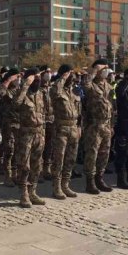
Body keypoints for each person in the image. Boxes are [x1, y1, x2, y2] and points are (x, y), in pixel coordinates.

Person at [13, 68, 46, 207]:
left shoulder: (40, 93)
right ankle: (24, 194)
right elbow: (16, 104)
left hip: (39, 133)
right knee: (24, 166)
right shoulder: (21, 93)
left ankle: (33, 192)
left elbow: (44, 112)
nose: (38, 80)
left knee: (37, 165)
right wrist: (25, 85)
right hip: (26, 134)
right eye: (35, 78)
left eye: (39, 77)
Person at [81, 58, 114, 194]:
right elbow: (85, 84)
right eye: (103, 69)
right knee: (92, 154)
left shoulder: (108, 85)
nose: (105, 71)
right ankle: (90, 182)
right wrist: (94, 70)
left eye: (106, 69)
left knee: (104, 154)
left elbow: (112, 107)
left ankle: (100, 178)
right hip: (94, 125)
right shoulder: (91, 84)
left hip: (106, 124)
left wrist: (112, 125)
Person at [49, 64, 80, 199]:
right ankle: (56, 187)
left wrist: (79, 127)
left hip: (73, 128)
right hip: (61, 128)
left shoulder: (72, 91)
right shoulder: (56, 89)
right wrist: (62, 78)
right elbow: (55, 92)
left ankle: (65, 185)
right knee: (59, 159)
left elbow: (79, 110)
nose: (71, 77)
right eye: (69, 74)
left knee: (71, 158)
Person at [0, 68, 21, 187]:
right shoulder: (5, 89)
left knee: (17, 150)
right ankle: (8, 176)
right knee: (9, 150)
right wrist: (8, 81)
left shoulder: (19, 90)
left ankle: (15, 175)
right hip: (8, 124)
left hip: (19, 123)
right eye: (16, 77)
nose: (18, 79)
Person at [39, 65, 55, 181]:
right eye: (46, 72)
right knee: (40, 146)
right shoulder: (37, 87)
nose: (48, 74)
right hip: (41, 120)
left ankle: (47, 168)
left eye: (50, 72)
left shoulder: (52, 87)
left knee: (49, 146)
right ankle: (38, 170)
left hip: (51, 120)